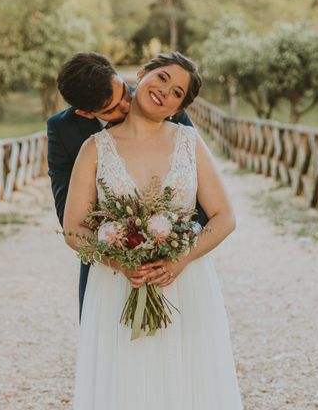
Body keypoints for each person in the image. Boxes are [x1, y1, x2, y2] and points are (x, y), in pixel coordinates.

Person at [63, 52, 242, 409]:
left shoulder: (189, 142)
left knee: (187, 380)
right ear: (142, 75)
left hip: (183, 283)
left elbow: (224, 216)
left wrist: (181, 258)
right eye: (162, 78)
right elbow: (73, 228)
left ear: (178, 108)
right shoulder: (93, 149)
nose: (165, 91)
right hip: (116, 285)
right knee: (124, 382)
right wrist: (119, 261)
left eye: (177, 92)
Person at [46, 52, 207, 320]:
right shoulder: (63, 131)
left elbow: (198, 198)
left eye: (124, 92)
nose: (126, 106)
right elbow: (70, 218)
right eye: (111, 109)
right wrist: (125, 250)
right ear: (85, 113)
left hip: (172, 260)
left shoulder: (163, 107)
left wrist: (169, 246)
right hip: (109, 262)